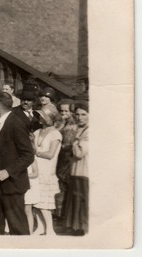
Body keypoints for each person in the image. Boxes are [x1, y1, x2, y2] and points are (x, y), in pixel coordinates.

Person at [0, 92, 34, 235]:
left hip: (12, 184)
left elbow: (28, 155)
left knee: (17, 227)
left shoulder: (16, 124)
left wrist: (8, 171)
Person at [32, 106, 62, 236]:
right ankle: (40, 227)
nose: (41, 118)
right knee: (36, 201)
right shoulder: (37, 132)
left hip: (47, 171)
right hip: (36, 170)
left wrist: (37, 152)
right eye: (40, 116)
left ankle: (50, 230)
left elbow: (50, 154)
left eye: (44, 116)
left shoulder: (56, 134)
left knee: (45, 203)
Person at [64, 101, 89, 236]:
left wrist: (74, 142)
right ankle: (78, 228)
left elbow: (79, 153)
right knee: (77, 200)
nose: (80, 117)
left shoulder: (89, 131)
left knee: (83, 200)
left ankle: (84, 229)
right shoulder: (80, 129)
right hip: (76, 171)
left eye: (84, 114)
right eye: (78, 114)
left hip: (85, 170)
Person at [55, 99, 78, 219]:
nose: (63, 113)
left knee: (65, 185)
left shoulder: (72, 126)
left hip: (67, 159)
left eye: (66, 111)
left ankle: (64, 215)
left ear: (72, 112)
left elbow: (67, 144)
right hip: (61, 159)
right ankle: (61, 213)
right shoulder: (62, 123)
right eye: (61, 110)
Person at [24, 159, 40, 235]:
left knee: (27, 210)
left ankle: (30, 232)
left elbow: (36, 173)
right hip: (20, 186)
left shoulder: (32, 159)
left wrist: (24, 176)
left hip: (29, 186)